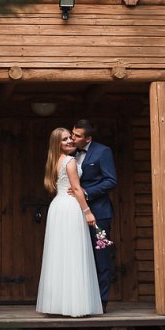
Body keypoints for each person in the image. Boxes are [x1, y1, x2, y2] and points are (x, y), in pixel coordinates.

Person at [36, 127, 103, 317]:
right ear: (57, 144)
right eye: (65, 139)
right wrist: (88, 212)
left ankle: (58, 304)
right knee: (73, 253)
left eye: (70, 138)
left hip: (58, 207)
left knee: (60, 254)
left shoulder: (54, 161)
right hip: (70, 207)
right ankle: (75, 305)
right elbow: (77, 189)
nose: (70, 141)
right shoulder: (70, 161)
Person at [70, 119, 117, 310]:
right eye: (72, 133)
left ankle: (101, 302)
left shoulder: (103, 152)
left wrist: (86, 192)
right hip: (73, 212)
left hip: (98, 212)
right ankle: (81, 300)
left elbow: (111, 180)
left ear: (88, 139)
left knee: (101, 256)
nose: (72, 138)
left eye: (77, 136)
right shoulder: (69, 152)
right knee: (78, 255)